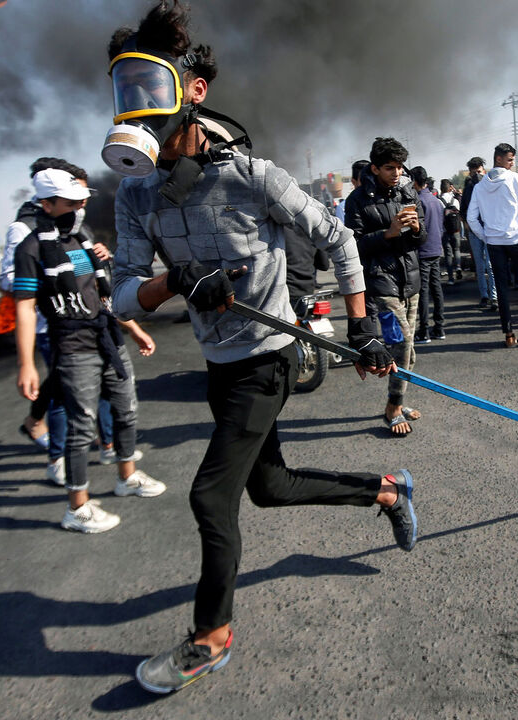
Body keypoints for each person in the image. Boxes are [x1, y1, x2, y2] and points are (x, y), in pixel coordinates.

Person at [105, 3, 418, 695]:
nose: (137, 109)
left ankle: (211, 638)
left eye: (150, 89)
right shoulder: (135, 196)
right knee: (269, 489)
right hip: (219, 367)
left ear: (192, 90)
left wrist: (362, 326)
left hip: (271, 357)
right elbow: (122, 296)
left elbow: (337, 239)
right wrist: (171, 282)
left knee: (210, 499)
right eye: (125, 93)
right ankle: (387, 491)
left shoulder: (252, 176)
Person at [13, 167, 165, 534]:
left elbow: (98, 298)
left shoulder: (80, 243)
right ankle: (77, 508)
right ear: (47, 204)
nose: (80, 206)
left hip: (107, 339)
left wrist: (134, 330)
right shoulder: (31, 249)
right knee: (82, 429)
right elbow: (24, 308)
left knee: (127, 408)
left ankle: (126, 477)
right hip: (73, 346)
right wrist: (27, 364)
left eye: (81, 200)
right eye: (71, 201)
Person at [2, 157, 121, 478]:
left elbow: (86, 278)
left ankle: (108, 445)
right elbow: (12, 282)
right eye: (75, 197)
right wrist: (48, 278)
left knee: (102, 387)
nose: (82, 204)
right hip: (50, 327)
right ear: (49, 197)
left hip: (87, 321)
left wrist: (93, 261)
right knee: (61, 396)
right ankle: (58, 461)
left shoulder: (74, 227)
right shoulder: (24, 231)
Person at [343, 137, 425, 436]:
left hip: (411, 281)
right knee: (401, 347)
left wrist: (416, 228)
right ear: (375, 168)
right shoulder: (356, 200)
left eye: (400, 167)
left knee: (410, 352)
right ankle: (392, 407)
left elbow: (422, 238)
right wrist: (388, 233)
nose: (397, 173)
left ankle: (398, 400)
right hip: (381, 282)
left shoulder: (406, 191)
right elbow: (354, 246)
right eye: (390, 167)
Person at [465, 142, 518, 347]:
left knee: (501, 288)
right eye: (509, 159)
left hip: (494, 242)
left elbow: (471, 218)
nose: (512, 164)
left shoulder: (479, 186)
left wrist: (485, 236)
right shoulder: (513, 178)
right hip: (515, 239)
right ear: (498, 159)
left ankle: (509, 334)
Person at [410, 166, 446, 343]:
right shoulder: (435, 200)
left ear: (414, 182)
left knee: (423, 291)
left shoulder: (418, 202)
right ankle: (439, 328)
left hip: (423, 251)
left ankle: (423, 330)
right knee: (436, 289)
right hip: (436, 249)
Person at [460, 156, 496, 310]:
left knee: (490, 264)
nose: (477, 176)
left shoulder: (490, 184)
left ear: (484, 170)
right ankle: (484, 295)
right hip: (475, 232)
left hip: (489, 231)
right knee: (480, 266)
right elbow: (463, 210)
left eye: (479, 172)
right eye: (474, 173)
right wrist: (467, 224)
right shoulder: (468, 187)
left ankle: (494, 296)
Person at [438, 178, 463, 283]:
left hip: (445, 231)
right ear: (449, 188)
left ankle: (451, 279)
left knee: (448, 253)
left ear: (441, 188)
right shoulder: (455, 201)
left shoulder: (439, 201)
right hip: (456, 230)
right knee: (456, 250)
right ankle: (458, 266)